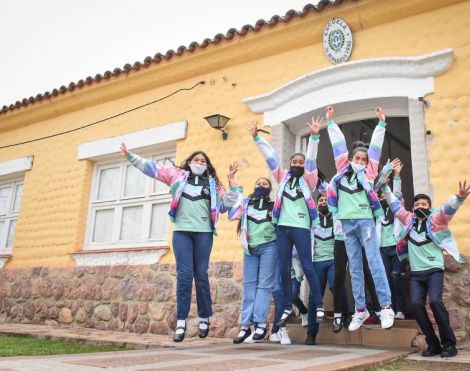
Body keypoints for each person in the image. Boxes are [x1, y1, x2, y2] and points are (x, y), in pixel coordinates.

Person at [120, 143, 225, 343]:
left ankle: (204, 318)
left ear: (207, 165)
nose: (199, 163)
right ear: (189, 163)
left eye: (203, 161)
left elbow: (228, 207)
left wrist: (233, 186)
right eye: (196, 160)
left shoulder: (213, 184)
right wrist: (131, 157)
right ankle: (181, 323)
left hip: (204, 233)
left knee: (201, 274)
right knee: (184, 276)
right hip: (181, 232)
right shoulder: (177, 175)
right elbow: (153, 169)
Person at [381, 181, 470, 358]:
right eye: (416, 205)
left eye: (423, 204)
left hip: (434, 270)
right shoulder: (408, 220)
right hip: (416, 274)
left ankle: (449, 344)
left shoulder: (436, 220)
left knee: (436, 303)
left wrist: (459, 197)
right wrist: (385, 188)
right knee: (416, 305)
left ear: (430, 207)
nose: (419, 207)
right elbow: (394, 206)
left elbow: (448, 209)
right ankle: (433, 344)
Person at [249, 119, 326, 327]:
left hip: (301, 228)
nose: (298, 165)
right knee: (283, 269)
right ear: (290, 164)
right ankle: (285, 308)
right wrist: (257, 137)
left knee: (308, 267)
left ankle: (318, 305)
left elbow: (311, 160)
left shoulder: (309, 179)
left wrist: (315, 137)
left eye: (300, 163)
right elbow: (271, 158)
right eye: (295, 162)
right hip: (282, 228)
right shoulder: (282, 177)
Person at [324, 105, 395, 330]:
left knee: (374, 262)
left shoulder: (370, 172)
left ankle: (386, 307)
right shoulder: (342, 172)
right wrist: (331, 123)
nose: (361, 161)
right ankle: (361, 310)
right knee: (354, 268)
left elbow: (375, 148)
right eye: (357, 158)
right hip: (346, 223)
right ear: (350, 159)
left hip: (365, 222)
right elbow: (338, 147)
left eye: (364, 160)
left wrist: (381, 124)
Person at [224, 162, 277, 344]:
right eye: (258, 184)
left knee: (264, 286)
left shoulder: (274, 205)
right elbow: (233, 207)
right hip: (249, 249)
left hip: (270, 247)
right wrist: (232, 181)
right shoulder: (246, 204)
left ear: (270, 189)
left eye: (265, 184)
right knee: (249, 286)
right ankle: (245, 325)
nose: (261, 186)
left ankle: (260, 324)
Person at [306, 193, 337, 345]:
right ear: (317, 204)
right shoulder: (311, 219)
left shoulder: (336, 217)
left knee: (335, 286)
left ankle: (341, 316)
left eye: (326, 200)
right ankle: (311, 333)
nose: (324, 202)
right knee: (313, 297)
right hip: (316, 262)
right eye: (321, 200)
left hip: (333, 260)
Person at [378, 159, 407, 320]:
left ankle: (400, 309)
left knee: (397, 277)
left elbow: (395, 195)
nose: (384, 197)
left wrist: (396, 176)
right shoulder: (377, 211)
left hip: (396, 247)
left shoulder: (397, 210)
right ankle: (387, 309)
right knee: (385, 279)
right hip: (382, 248)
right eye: (381, 195)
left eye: (385, 195)